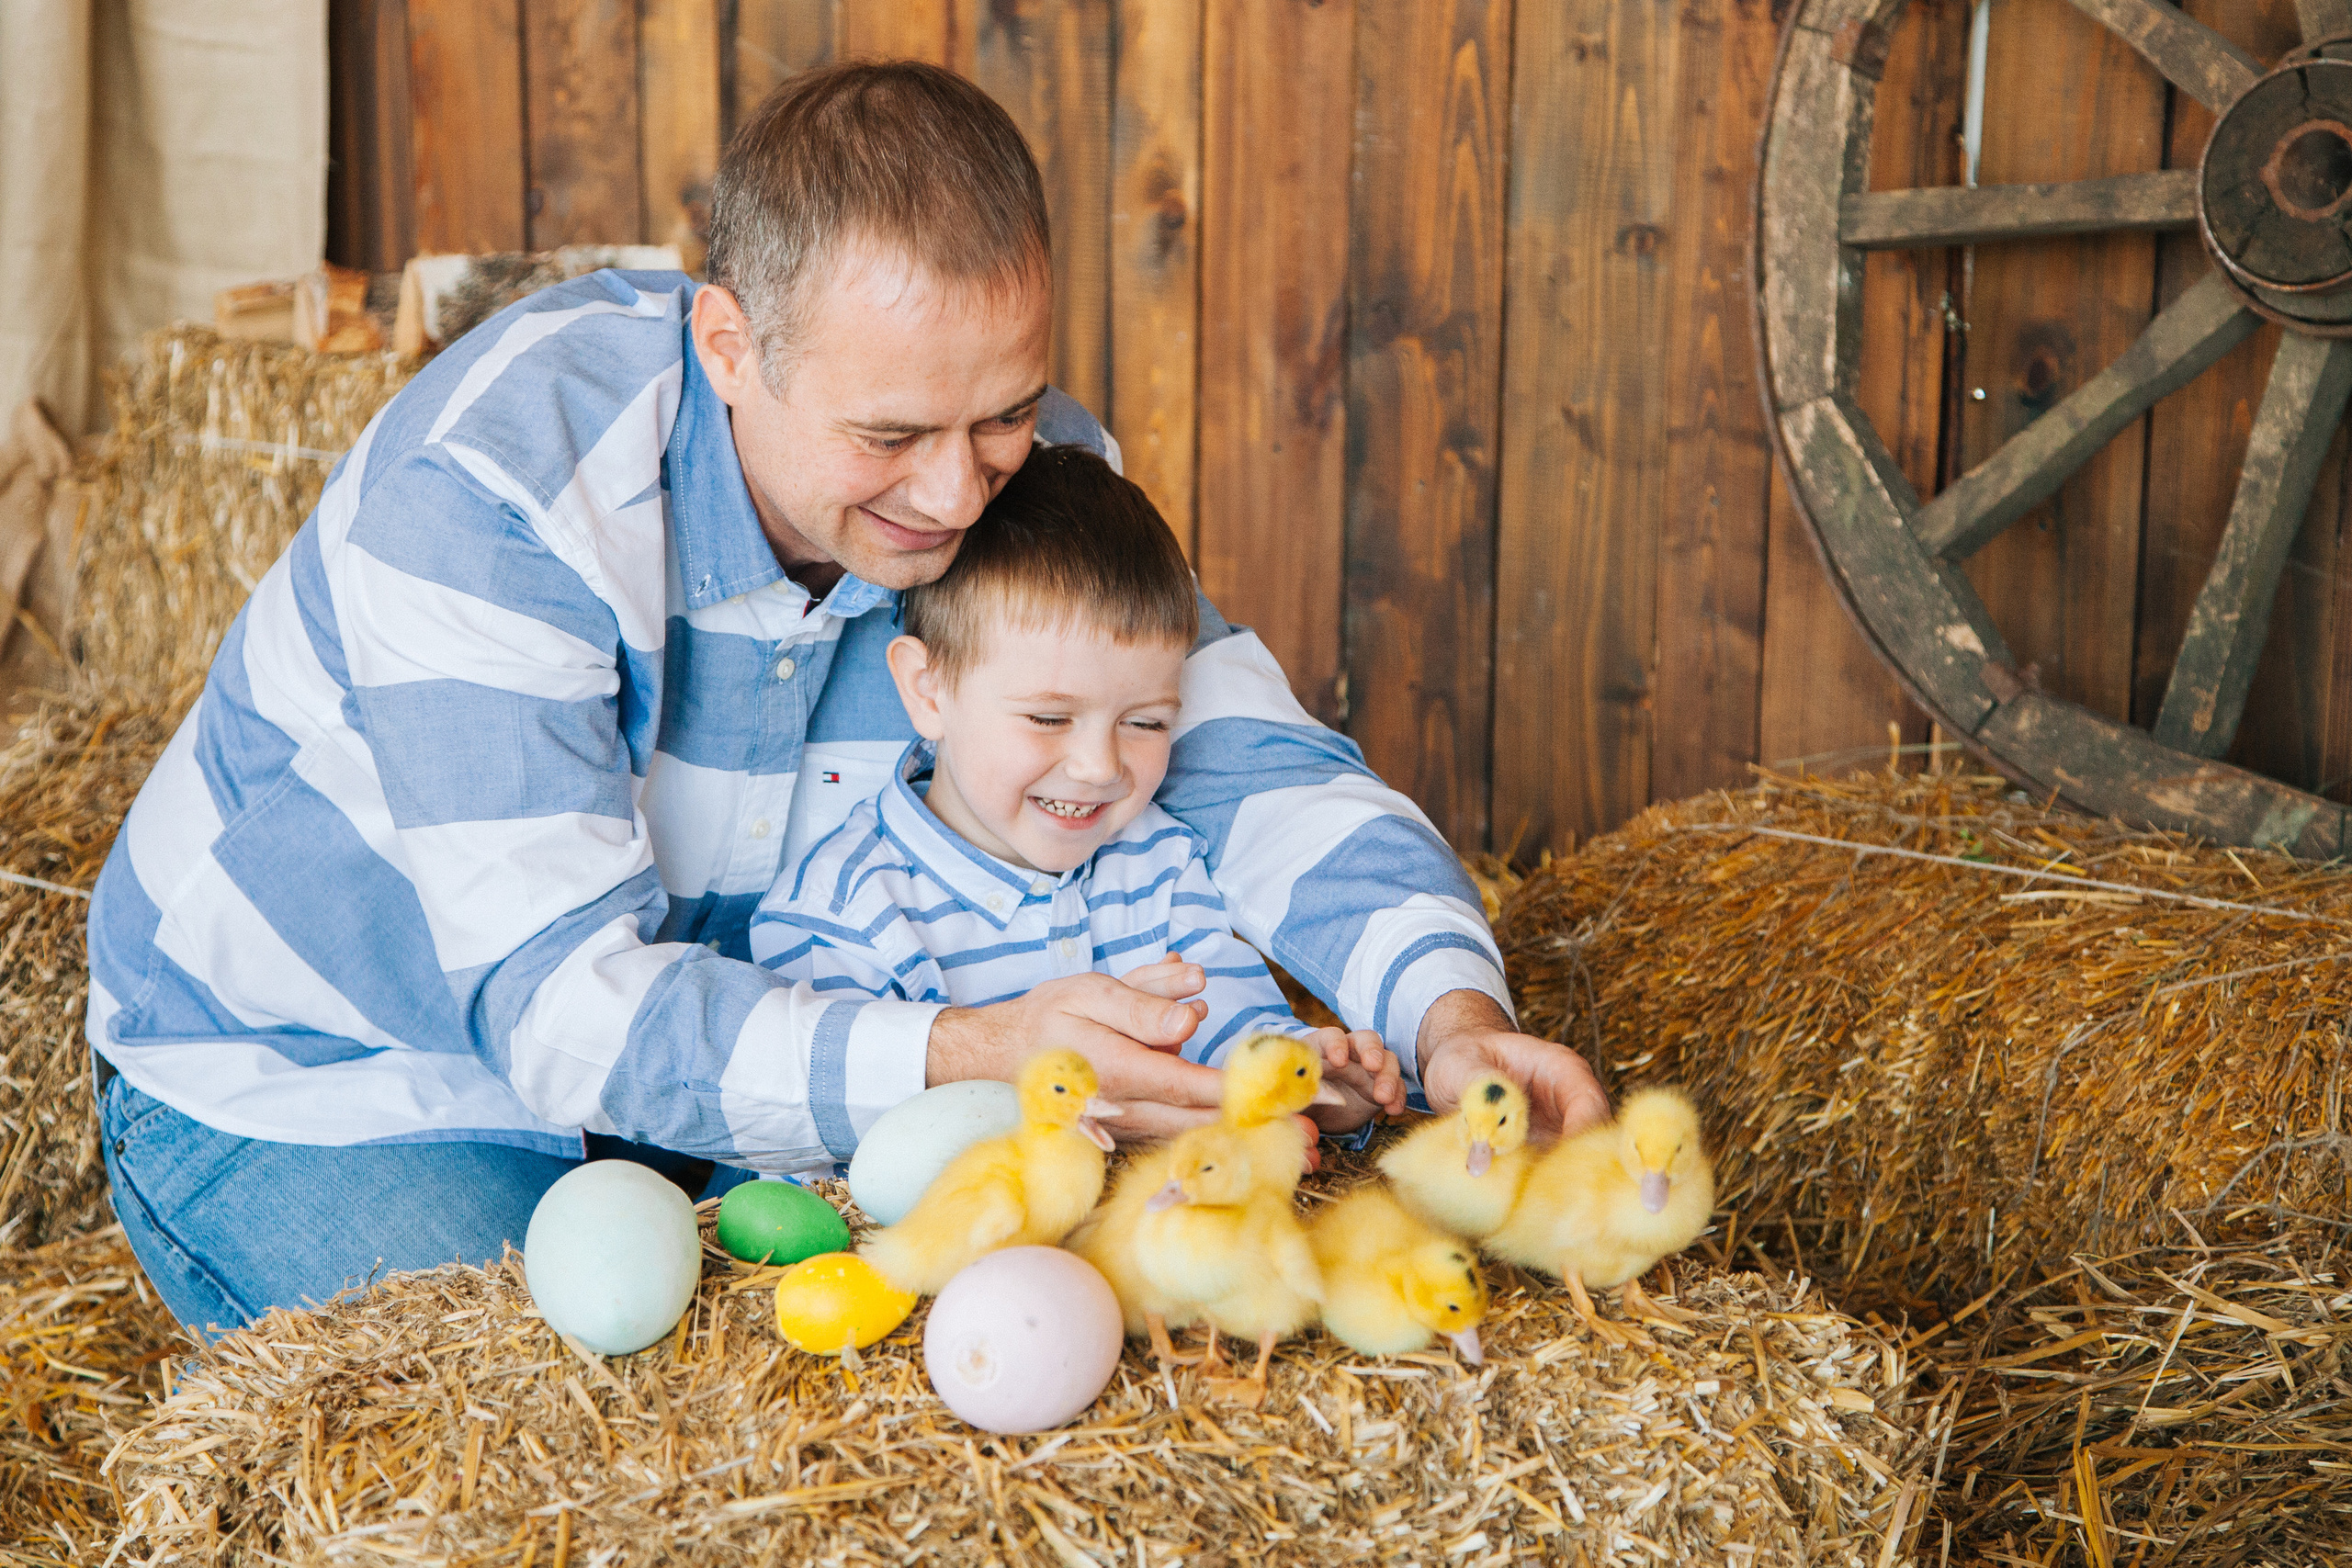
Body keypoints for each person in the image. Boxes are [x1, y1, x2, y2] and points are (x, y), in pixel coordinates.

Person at [85, 61, 1605, 1335]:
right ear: (729, 344)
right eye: (892, 433)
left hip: (712, 1050)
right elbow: (562, 1014)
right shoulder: (501, 498)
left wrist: (1448, 1009)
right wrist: (971, 1047)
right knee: (568, 1398)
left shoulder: (1017, 464)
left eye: (1005, 410)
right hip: (330, 1062)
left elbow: (1238, 758)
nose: (957, 494)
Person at [750, 444, 1407, 1134]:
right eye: (1049, 717)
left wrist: (1304, 1074)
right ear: (928, 689)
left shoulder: (1158, 860)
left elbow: (1230, 1031)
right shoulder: (841, 914)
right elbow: (833, 1151)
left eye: (1146, 721)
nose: (1099, 767)